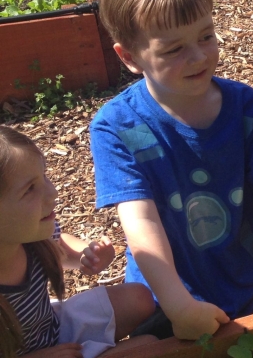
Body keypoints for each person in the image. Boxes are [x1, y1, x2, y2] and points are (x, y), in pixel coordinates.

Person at [90, 0, 253, 340]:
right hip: (166, 295)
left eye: (206, 36)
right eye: (174, 49)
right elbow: (141, 223)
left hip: (250, 280)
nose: (198, 56)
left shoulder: (243, 106)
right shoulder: (116, 127)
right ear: (129, 57)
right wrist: (178, 306)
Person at [0, 126, 155, 358]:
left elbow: (61, 246)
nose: (52, 193)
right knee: (149, 347)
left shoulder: (31, 237)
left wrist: (88, 254)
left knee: (139, 301)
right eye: (30, 189)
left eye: (44, 176)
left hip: (52, 329)